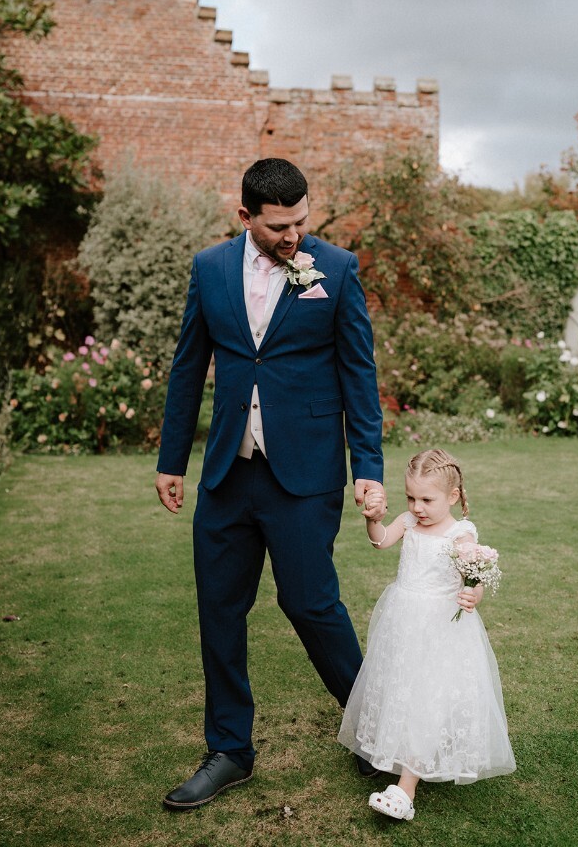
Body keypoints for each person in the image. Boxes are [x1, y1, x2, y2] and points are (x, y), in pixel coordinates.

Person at [155, 158, 384, 809]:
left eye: (302, 222)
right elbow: (187, 366)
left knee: (310, 603)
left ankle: (375, 727)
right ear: (246, 217)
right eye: (280, 226)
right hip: (228, 471)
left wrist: (367, 468)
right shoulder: (209, 268)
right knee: (220, 610)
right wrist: (172, 460)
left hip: (304, 473)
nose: (294, 237)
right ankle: (230, 749)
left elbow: (358, 378)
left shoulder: (335, 270)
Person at [338, 448, 515, 821]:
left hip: (440, 627)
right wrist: (374, 519)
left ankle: (406, 788)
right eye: (411, 498)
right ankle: (400, 751)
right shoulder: (408, 522)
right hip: (404, 619)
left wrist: (474, 593)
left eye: (427, 499)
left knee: (430, 695)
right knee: (403, 686)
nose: (417, 507)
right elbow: (380, 541)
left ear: (452, 497)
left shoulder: (460, 532)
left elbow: (475, 575)